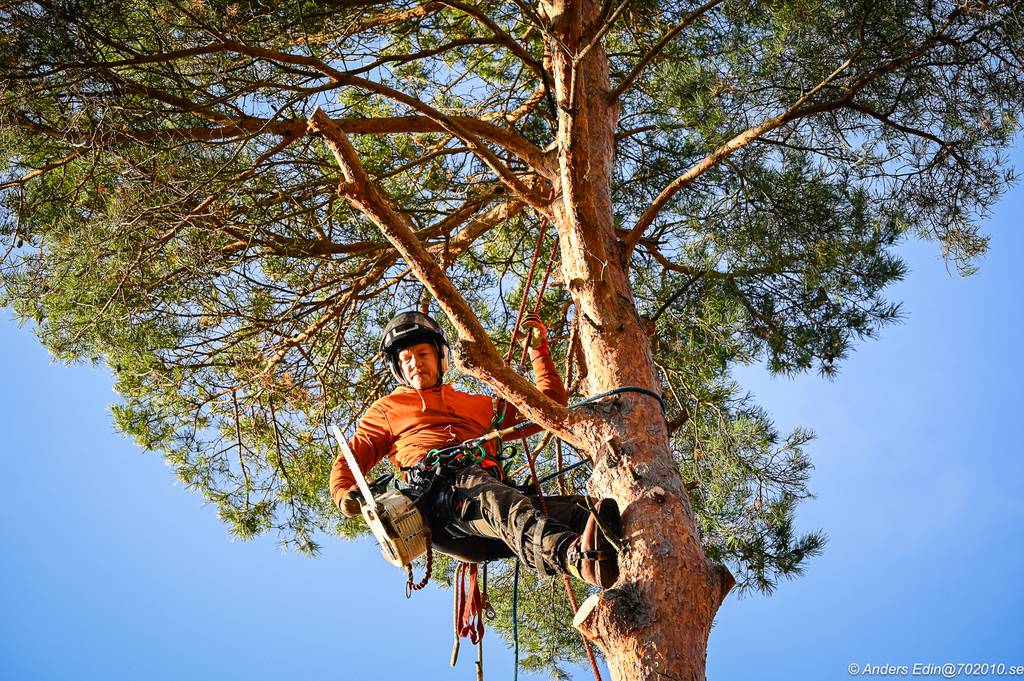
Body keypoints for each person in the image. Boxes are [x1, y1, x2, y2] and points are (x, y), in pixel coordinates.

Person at [329, 310, 620, 588]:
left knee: (586, 512)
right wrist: (345, 495)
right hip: (442, 500)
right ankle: (571, 556)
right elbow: (352, 457)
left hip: (494, 513)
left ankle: (618, 558)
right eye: (406, 358)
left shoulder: (478, 406)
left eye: (422, 354)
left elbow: (547, 410)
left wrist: (538, 352)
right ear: (398, 368)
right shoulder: (387, 410)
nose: (414, 362)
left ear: (440, 357)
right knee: (496, 498)